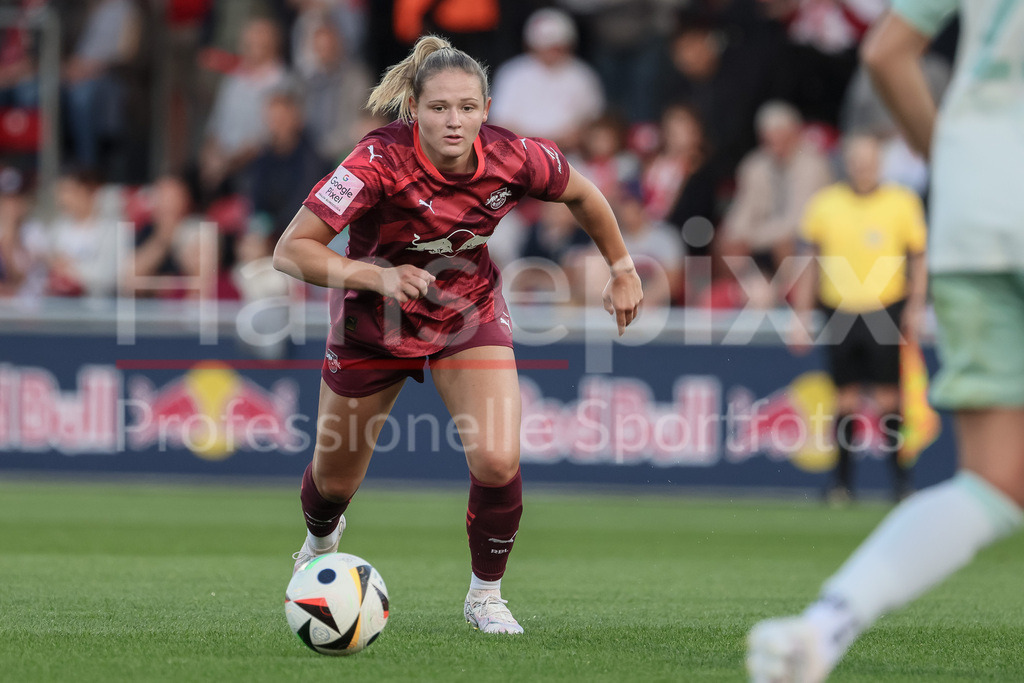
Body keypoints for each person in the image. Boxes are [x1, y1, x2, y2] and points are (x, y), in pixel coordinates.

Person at [272, 35, 643, 634]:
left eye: (468, 107)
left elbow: (583, 192)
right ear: (414, 108)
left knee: (497, 459)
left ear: (486, 109)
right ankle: (319, 545)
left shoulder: (515, 156)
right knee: (333, 481)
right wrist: (378, 276)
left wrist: (622, 269)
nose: (454, 120)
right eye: (440, 107)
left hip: (465, 312)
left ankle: (485, 596)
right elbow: (291, 250)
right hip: (374, 325)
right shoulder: (375, 161)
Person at [747, 3, 1024, 681]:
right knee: (854, 401)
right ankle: (848, 487)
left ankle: (823, 627)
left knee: (993, 483)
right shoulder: (836, 202)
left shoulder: (901, 198)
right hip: (852, 305)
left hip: (975, 217)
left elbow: (884, 51)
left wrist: (956, 162)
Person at [788, 134, 927, 504]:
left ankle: (901, 483)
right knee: (844, 398)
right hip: (839, 309)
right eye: (857, 161)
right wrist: (801, 315)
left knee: (888, 397)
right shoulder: (825, 205)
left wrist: (915, 306)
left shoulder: (901, 202)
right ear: (846, 164)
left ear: (879, 164)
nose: (863, 168)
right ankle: (842, 484)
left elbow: (918, 258)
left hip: (885, 306)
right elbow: (809, 264)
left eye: (869, 161)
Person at [717, 100, 831, 307]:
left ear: (795, 134)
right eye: (770, 140)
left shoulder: (813, 166)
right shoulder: (754, 165)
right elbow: (741, 213)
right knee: (726, 242)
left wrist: (753, 237)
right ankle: (749, 295)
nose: (776, 146)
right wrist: (736, 236)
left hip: (801, 244)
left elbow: (798, 222)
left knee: (785, 243)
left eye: (782, 138)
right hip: (762, 243)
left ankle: (787, 298)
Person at [488, 8, 605, 152]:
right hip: (519, 152)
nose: (551, 52)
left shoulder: (582, 75)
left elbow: (594, 121)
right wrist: (535, 145)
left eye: (557, 47)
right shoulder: (512, 73)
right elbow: (499, 123)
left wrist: (564, 141)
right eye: (546, 47)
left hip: (570, 154)